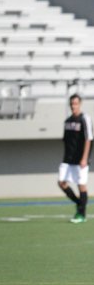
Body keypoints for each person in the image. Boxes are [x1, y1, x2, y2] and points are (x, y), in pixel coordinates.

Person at [58, 94, 93, 224]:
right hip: (68, 159)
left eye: (76, 103)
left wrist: (84, 158)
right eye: (72, 103)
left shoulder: (85, 119)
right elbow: (66, 141)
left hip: (80, 160)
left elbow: (88, 139)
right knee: (62, 183)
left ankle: (81, 214)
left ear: (80, 104)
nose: (74, 106)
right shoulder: (67, 122)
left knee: (81, 185)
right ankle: (80, 203)